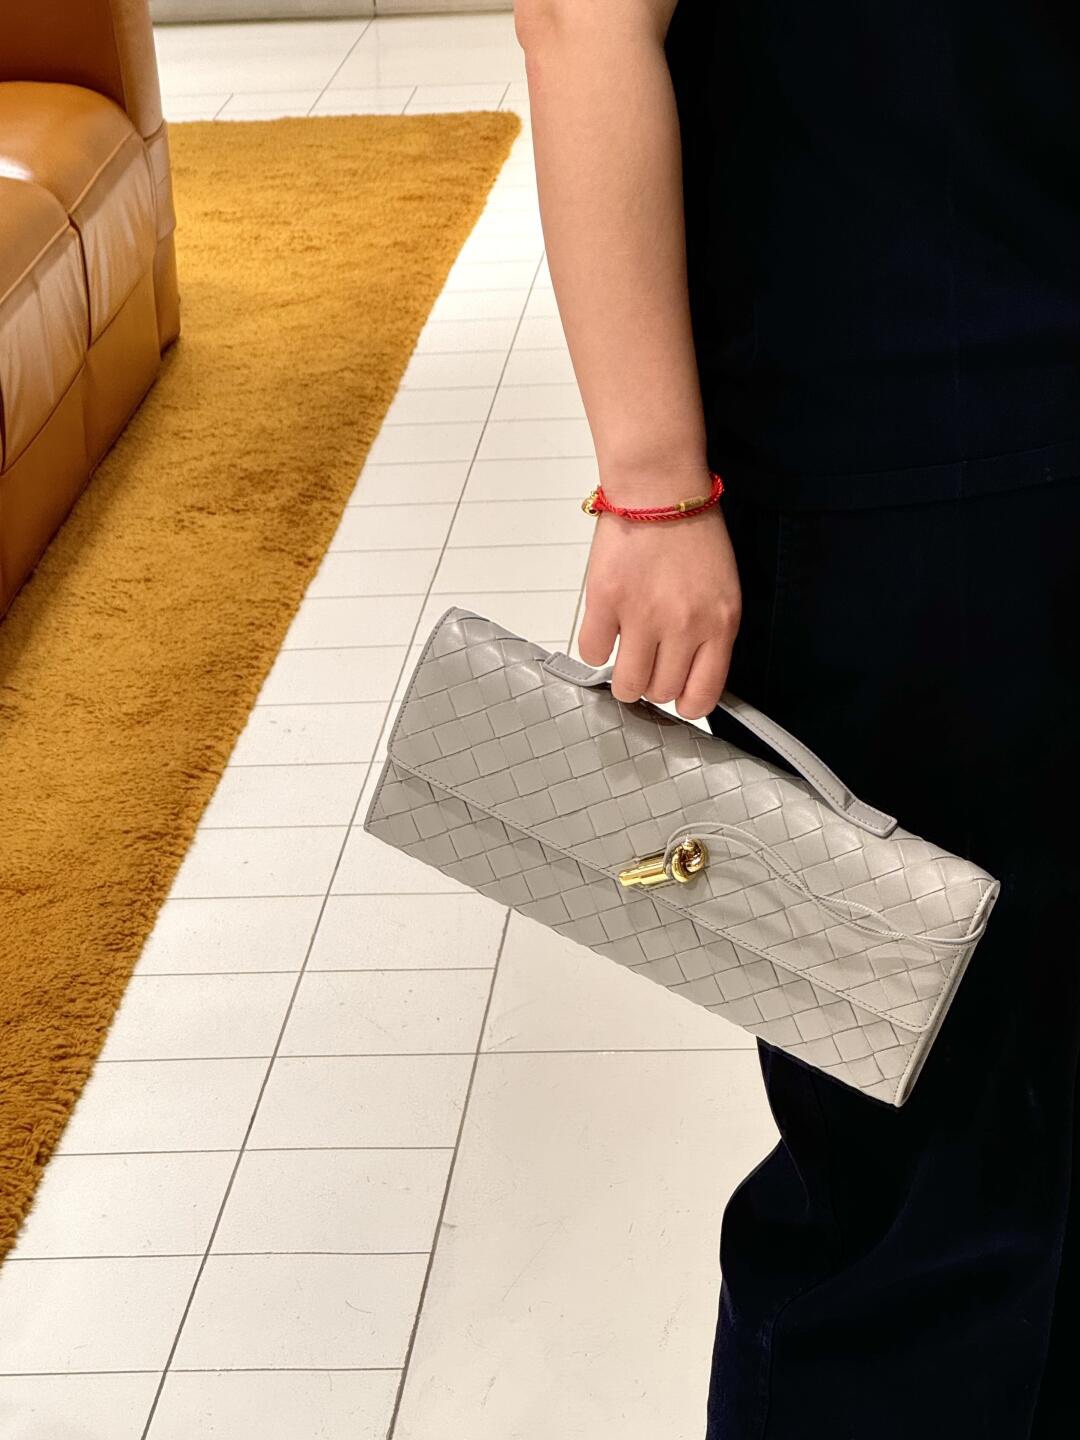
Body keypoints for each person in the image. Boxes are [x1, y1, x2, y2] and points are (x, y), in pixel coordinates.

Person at [513, 2, 1080, 1435]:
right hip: (893, 458)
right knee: (917, 1168)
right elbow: (580, 22)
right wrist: (653, 483)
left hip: (959, 405)